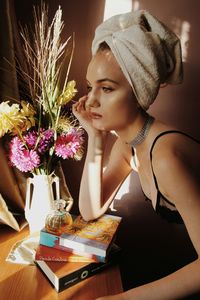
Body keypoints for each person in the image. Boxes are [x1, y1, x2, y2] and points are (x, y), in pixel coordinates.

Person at [72, 10, 200, 300]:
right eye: (91, 86)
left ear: (139, 91)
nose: (91, 99)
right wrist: (95, 138)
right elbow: (90, 211)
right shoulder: (129, 145)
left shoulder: (165, 155)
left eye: (106, 88)